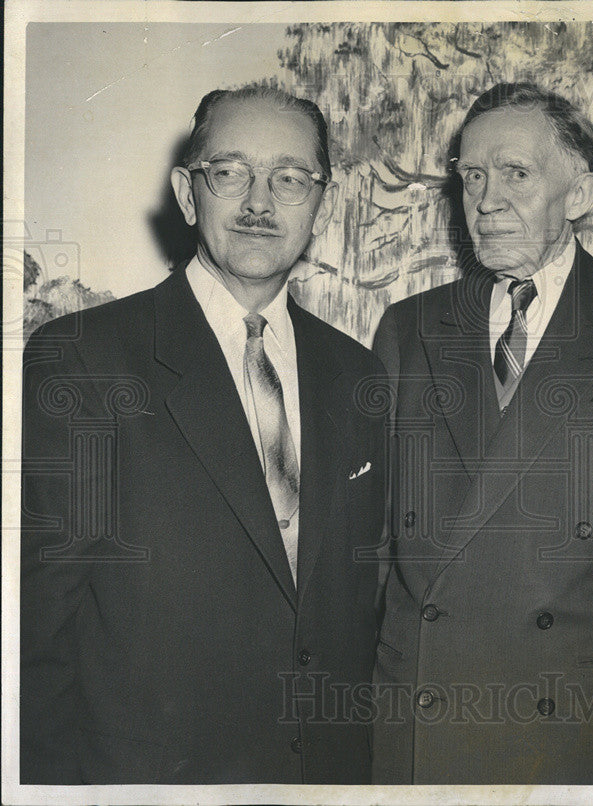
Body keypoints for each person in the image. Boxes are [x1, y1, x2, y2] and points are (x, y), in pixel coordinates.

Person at [21, 86, 385, 784]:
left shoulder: (357, 372)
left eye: (290, 178)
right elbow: (35, 631)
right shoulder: (86, 358)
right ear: (188, 196)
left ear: (321, 204)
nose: (259, 201)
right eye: (229, 171)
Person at [370, 82, 593, 784]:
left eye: (516, 174)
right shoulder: (409, 327)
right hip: (422, 721)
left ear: (583, 195)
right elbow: (374, 550)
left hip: (573, 726)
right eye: (472, 176)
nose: (486, 199)